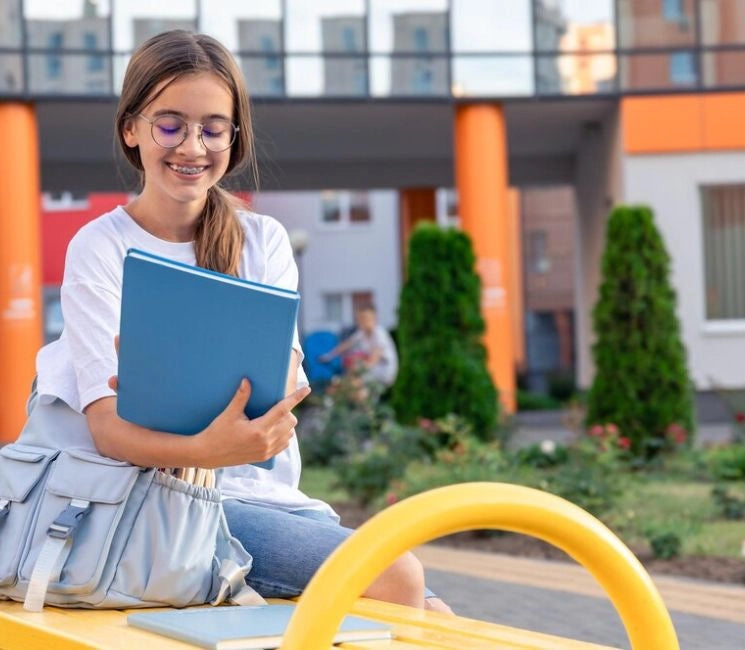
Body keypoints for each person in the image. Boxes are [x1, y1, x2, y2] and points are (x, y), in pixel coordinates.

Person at [20, 30, 450, 613]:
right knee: (399, 577)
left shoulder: (262, 240)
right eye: (169, 124)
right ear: (131, 128)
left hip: (254, 496)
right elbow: (107, 431)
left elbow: (282, 391)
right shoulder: (99, 248)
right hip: (151, 500)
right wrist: (209, 447)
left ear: (234, 134)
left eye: (213, 128)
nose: (192, 146)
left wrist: (257, 419)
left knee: (424, 601)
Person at [319, 304, 398, 389]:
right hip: (373, 370)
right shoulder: (362, 333)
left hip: (384, 373)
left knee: (352, 380)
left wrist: (356, 371)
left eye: (364, 318)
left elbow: (374, 359)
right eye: (359, 318)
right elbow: (347, 344)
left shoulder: (379, 334)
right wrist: (329, 356)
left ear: (374, 318)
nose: (361, 321)